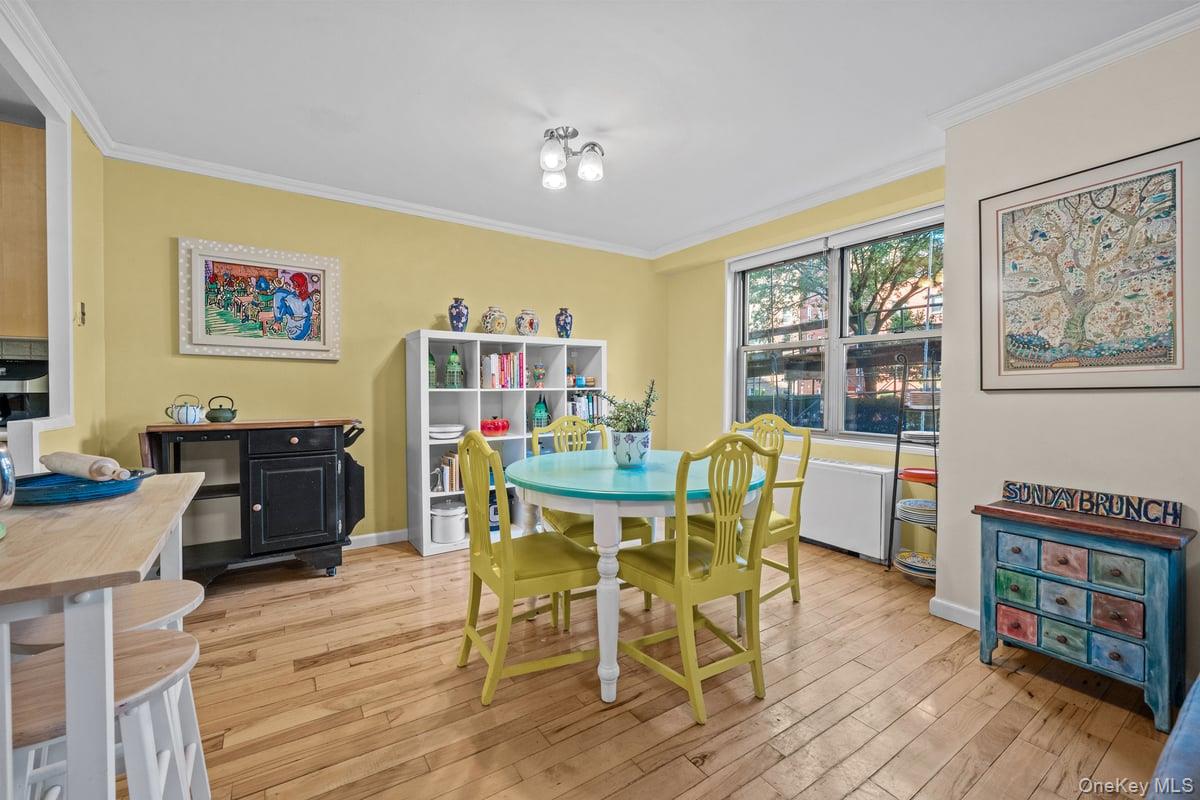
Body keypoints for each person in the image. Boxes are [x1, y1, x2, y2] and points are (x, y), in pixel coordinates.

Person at [272, 272, 314, 340]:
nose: (294, 287)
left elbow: (309, 315)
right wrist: (278, 321)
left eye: (297, 284)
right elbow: (279, 299)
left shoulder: (308, 300)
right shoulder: (290, 297)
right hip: (291, 326)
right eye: (293, 284)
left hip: (303, 327)